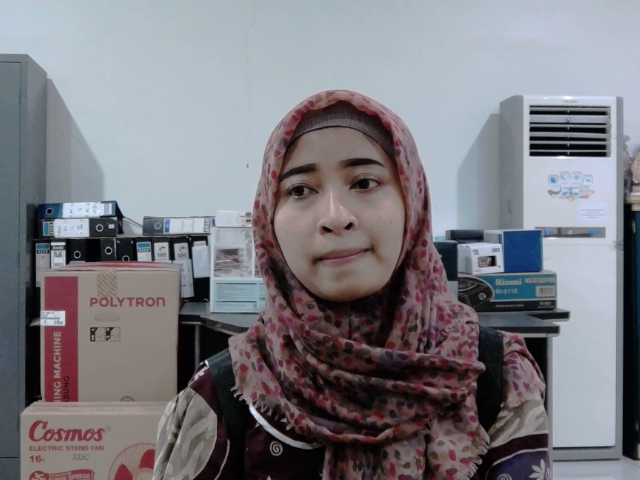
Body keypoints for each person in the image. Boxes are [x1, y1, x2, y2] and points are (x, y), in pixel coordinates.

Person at [153, 91, 551, 480]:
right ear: (268, 219)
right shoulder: (224, 391)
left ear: (412, 201)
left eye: (364, 182)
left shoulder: (495, 376)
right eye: (300, 190)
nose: (335, 217)